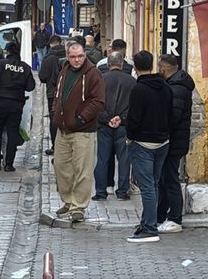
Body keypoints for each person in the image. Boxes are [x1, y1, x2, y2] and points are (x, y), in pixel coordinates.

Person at [51, 42, 104, 222]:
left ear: (85, 55)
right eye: (73, 57)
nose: (77, 60)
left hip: (83, 130)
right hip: (63, 129)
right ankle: (68, 201)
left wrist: (81, 119)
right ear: (67, 56)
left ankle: (78, 207)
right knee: (61, 167)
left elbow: (98, 101)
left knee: (83, 169)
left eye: (80, 56)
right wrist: (55, 114)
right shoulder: (64, 72)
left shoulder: (93, 74)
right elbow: (57, 96)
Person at [126, 50, 174, 243]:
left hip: (143, 143)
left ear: (135, 68)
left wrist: (129, 138)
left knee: (147, 187)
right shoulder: (165, 86)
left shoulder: (139, 90)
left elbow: (134, 119)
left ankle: (150, 228)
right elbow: (171, 114)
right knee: (153, 184)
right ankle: (148, 221)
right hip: (163, 141)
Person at [0, 43, 35, 172]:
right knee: (12, 133)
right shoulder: (25, 68)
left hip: (0, 102)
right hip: (16, 104)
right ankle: (9, 164)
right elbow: (30, 86)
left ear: (8, 52)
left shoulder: (0, 64)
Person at [157, 54, 195, 234]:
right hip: (174, 140)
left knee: (170, 179)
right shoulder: (177, 85)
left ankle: (175, 218)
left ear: (163, 69)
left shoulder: (176, 89)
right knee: (165, 178)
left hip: (173, 141)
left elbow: (173, 116)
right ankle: (162, 216)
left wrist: (160, 131)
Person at [92, 51, 136, 201]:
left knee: (103, 158)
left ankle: (100, 191)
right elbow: (134, 106)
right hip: (123, 125)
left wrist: (107, 118)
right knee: (124, 159)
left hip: (104, 125)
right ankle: (122, 191)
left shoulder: (100, 80)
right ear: (122, 64)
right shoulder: (131, 81)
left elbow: (95, 104)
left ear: (108, 64)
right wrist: (121, 118)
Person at [38, 35, 66, 156]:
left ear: (50, 44)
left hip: (52, 93)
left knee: (54, 119)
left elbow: (42, 77)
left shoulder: (48, 59)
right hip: (69, 93)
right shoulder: (69, 56)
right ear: (61, 43)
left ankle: (56, 147)